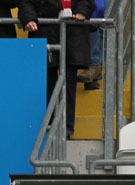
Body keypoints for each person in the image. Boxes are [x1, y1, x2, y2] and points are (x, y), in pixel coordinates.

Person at [18, 0, 93, 138]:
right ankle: (49, 127)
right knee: (47, 82)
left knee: (69, 83)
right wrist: (28, 18)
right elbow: (26, 2)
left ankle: (67, 128)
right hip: (45, 30)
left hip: (72, 31)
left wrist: (83, 11)